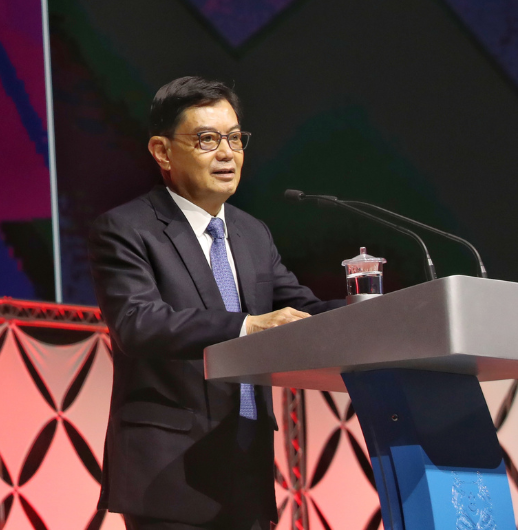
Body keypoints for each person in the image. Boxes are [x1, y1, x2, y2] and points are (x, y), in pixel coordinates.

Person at [88, 76, 344, 530]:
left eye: (234, 138)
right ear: (163, 152)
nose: (227, 153)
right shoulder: (126, 229)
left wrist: (380, 312)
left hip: (247, 465)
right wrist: (247, 327)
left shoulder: (252, 233)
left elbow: (302, 311)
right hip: (168, 473)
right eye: (207, 139)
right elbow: (137, 323)